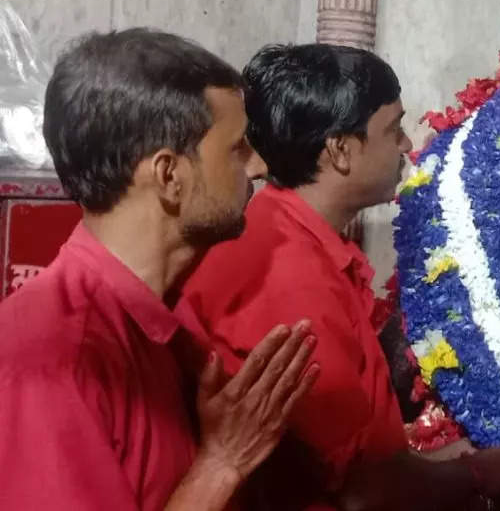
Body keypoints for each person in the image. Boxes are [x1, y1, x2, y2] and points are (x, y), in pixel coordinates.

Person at [178, 43, 500, 511]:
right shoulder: (288, 274)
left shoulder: (289, 235)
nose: (406, 146)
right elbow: (361, 492)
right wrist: (480, 472)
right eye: (392, 129)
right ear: (340, 150)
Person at [0, 28, 319, 510]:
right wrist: (220, 464)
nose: (256, 167)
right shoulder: (52, 364)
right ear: (170, 176)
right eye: (237, 149)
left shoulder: (164, 320)